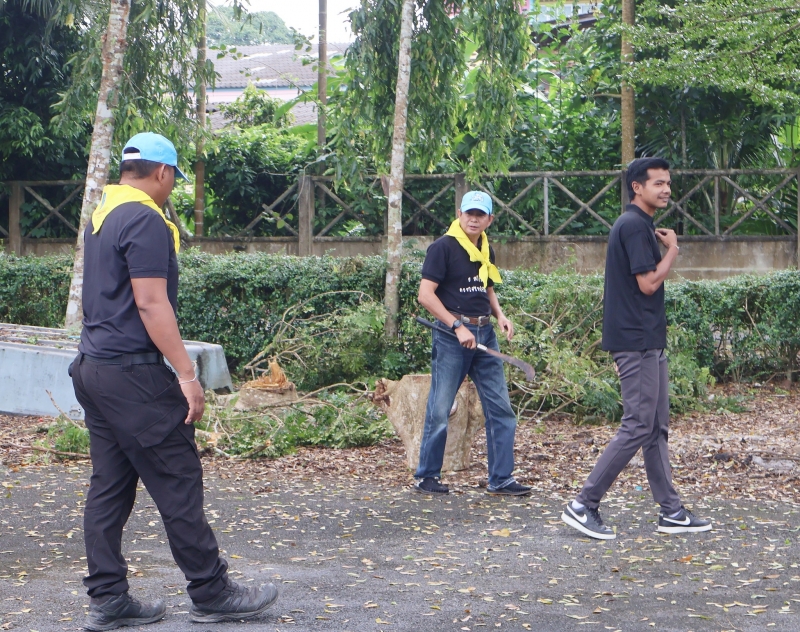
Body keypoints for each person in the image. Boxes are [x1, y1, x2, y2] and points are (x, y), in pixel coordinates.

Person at [70, 132, 278, 630]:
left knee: (110, 486)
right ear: (162, 172)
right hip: (133, 374)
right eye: (173, 179)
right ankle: (211, 591)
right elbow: (149, 302)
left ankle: (108, 598)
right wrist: (187, 373)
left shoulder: (102, 216)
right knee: (178, 476)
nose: (172, 188)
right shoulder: (144, 218)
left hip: (94, 367)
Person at [560, 157, 712, 540]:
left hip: (648, 340)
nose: (666, 190)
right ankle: (583, 504)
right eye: (658, 183)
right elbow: (648, 284)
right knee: (638, 424)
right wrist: (673, 249)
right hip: (636, 341)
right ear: (637, 187)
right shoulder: (632, 225)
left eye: (668, 183)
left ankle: (671, 511)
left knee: (655, 428)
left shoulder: (641, 225)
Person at [414, 190, 531, 496]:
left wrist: (500, 315)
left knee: (501, 408)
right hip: (452, 336)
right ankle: (426, 476)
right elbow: (425, 296)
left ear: (490, 219)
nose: (474, 219)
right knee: (441, 408)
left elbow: (486, 287)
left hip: (485, 334)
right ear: (460, 214)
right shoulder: (442, 248)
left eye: (480, 215)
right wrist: (456, 326)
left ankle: (501, 479)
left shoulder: (485, 248)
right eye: (469, 213)